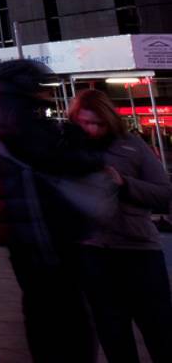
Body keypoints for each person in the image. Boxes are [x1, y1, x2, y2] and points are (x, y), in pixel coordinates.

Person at [0, 59, 106, 363]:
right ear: (26, 85)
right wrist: (81, 143)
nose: (46, 93)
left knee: (38, 304)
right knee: (65, 306)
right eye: (42, 87)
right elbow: (60, 158)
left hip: (16, 225)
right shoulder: (16, 114)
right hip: (39, 224)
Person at [68, 89, 172, 363]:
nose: (92, 129)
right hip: (93, 252)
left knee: (159, 329)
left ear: (110, 120)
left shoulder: (132, 146)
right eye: (85, 122)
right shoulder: (65, 150)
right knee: (113, 334)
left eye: (98, 123)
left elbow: (164, 193)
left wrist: (124, 184)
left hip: (138, 248)